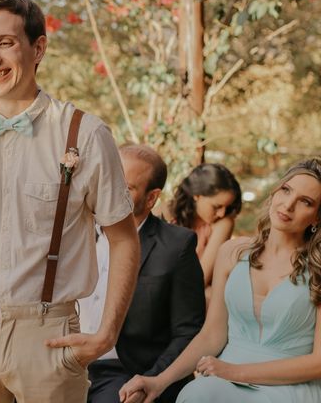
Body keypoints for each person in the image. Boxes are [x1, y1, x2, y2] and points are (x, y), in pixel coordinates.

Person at [0, 0, 140, 403]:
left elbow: (124, 238)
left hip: (50, 339)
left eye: (5, 43)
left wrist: (106, 333)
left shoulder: (84, 133)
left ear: (38, 48)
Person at [120, 158, 321, 403]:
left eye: (305, 202)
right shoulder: (232, 253)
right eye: (286, 190)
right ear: (276, 191)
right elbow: (211, 336)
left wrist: (234, 371)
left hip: (289, 387)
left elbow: (318, 362)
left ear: (317, 218)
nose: (288, 205)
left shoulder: (317, 268)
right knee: (196, 394)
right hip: (222, 382)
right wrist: (158, 381)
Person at [81, 144, 205, 403]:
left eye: (125, 187)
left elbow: (188, 330)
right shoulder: (75, 231)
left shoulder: (176, 246)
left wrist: (151, 380)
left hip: (126, 370)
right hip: (63, 362)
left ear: (151, 198)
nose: (110, 192)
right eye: (109, 180)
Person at [163, 163, 242, 297]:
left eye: (226, 207)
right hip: (158, 286)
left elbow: (201, 278)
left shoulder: (222, 223)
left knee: (209, 295)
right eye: (217, 206)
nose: (222, 213)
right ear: (197, 195)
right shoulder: (165, 212)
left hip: (190, 291)